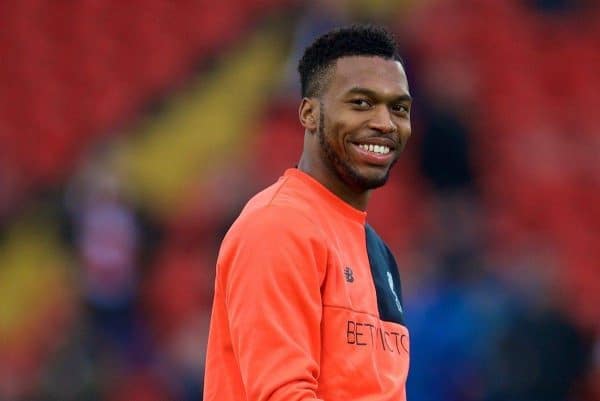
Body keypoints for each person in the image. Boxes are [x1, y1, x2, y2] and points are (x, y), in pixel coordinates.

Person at [204, 24, 413, 400]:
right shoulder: (278, 227)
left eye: (398, 107)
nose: (385, 123)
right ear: (309, 114)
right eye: (361, 103)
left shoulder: (377, 252)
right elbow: (282, 394)